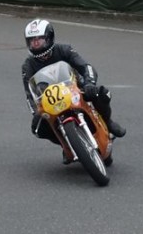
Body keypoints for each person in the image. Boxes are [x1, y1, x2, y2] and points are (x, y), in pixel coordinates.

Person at [22, 18, 126, 151]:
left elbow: (86, 66)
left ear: (49, 37)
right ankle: (66, 144)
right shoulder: (28, 65)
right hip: (51, 102)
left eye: (39, 39)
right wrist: (37, 112)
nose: (35, 43)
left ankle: (108, 122)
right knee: (38, 128)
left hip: (77, 89)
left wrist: (89, 84)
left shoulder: (64, 49)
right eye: (32, 40)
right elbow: (29, 92)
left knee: (102, 93)